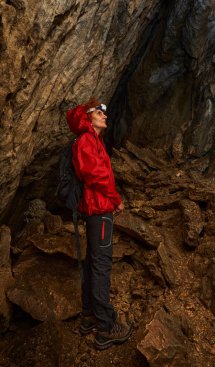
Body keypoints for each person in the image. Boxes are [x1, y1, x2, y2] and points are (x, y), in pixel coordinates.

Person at [66, 98, 132, 350]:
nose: (105, 114)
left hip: (96, 210)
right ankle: (105, 328)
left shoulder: (94, 141)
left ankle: (89, 318)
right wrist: (116, 200)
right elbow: (96, 175)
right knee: (101, 266)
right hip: (99, 210)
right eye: (99, 111)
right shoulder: (85, 140)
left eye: (105, 111)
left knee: (94, 263)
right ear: (87, 117)